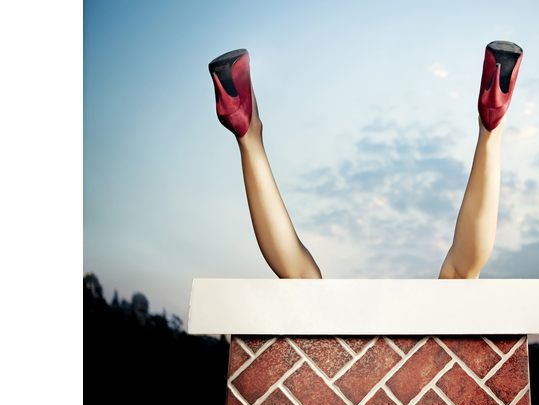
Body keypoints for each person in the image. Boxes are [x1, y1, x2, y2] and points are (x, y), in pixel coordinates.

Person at [208, 41, 523, 280]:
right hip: (427, 339)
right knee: (458, 276)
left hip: (341, 340)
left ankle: (247, 134)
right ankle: (492, 123)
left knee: (301, 280)